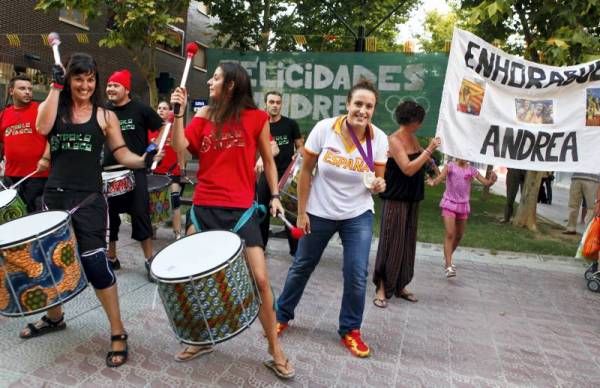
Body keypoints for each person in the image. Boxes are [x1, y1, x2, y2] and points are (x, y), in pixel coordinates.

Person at [169, 62, 294, 379]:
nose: (210, 81)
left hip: (240, 210)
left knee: (261, 279)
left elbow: (268, 160)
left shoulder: (257, 118)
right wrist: (179, 115)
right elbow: (182, 154)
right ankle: (200, 338)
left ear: (232, 85)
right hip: (203, 207)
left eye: (216, 77)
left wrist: (276, 195)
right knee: (193, 280)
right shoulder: (202, 116)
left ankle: (274, 349)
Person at [28, 53, 153, 367]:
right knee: (49, 263)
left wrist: (144, 160)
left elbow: (122, 152)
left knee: (96, 265)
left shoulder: (105, 115)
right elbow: (42, 127)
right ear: (68, 79)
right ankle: (55, 317)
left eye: (90, 79)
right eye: (78, 78)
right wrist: (55, 88)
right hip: (53, 198)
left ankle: (118, 331)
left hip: (88, 200)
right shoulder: (56, 108)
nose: (84, 85)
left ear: (95, 81)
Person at [275, 79, 388, 358]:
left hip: (357, 214)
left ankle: (350, 330)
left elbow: (377, 180)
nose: (363, 110)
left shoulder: (380, 139)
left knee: (356, 274)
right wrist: (302, 212)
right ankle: (280, 315)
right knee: (302, 265)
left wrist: (378, 186)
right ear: (348, 104)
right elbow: (305, 172)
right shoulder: (325, 129)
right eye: (358, 104)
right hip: (319, 211)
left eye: (369, 106)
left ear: (373, 110)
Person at [371, 101, 439, 308]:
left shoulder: (412, 137)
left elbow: (421, 160)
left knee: (407, 244)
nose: (420, 124)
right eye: (419, 121)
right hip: (396, 198)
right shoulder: (394, 140)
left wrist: (433, 168)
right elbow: (408, 168)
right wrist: (429, 150)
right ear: (413, 121)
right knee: (392, 241)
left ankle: (400, 285)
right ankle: (382, 288)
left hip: (412, 197)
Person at [103, 69, 164, 274]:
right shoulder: (103, 110)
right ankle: (111, 258)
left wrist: (155, 146)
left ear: (126, 89)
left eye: (115, 85)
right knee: (109, 217)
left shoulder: (140, 109)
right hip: (107, 173)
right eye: (109, 85)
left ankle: (149, 260)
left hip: (134, 170)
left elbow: (162, 126)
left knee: (140, 214)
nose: (110, 88)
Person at [426, 159, 497, 277]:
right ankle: (448, 266)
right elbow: (440, 178)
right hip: (449, 204)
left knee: (458, 236)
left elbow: (486, 183)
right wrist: (433, 182)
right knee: (450, 233)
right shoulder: (450, 166)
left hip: (463, 206)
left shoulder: (472, 170)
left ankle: (447, 257)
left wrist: (492, 180)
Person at [256, 91, 304, 256]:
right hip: (267, 175)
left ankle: (295, 251)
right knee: (262, 211)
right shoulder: (261, 125)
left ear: (281, 105)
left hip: (287, 176)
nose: (275, 105)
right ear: (266, 104)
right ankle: (261, 248)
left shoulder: (290, 124)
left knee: (290, 214)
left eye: (278, 102)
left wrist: (299, 154)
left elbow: (301, 147)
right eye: (272, 102)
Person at [0, 75, 49, 211]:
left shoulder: (40, 109)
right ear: (11, 91)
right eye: (22, 88)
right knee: (13, 216)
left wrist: (46, 158)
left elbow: (53, 137)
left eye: (30, 89)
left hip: (37, 175)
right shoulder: (4, 114)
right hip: (10, 176)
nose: (27, 92)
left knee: (33, 216)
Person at [148, 101, 186, 239]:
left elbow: (181, 150)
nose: (161, 111)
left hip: (171, 172)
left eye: (165, 108)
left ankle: (177, 233)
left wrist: (182, 167)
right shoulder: (150, 130)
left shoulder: (176, 129)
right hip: (155, 171)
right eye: (159, 108)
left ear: (170, 111)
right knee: (153, 201)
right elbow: (147, 150)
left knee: (174, 198)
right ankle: (153, 228)